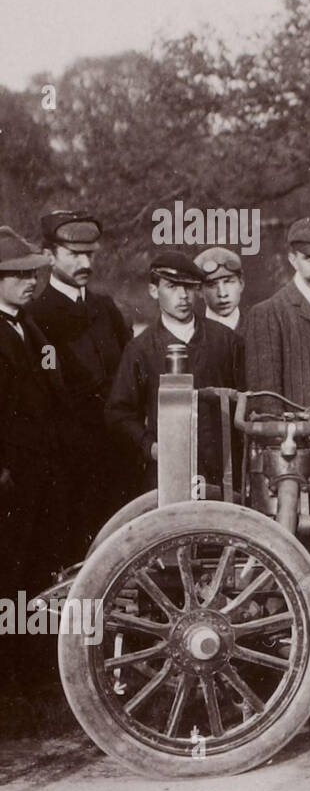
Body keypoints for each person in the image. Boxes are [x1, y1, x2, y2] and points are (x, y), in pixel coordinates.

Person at [26, 210, 132, 547]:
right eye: (73, 255)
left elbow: (128, 370)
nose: (84, 263)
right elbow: (46, 392)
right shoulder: (36, 316)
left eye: (89, 254)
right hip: (71, 461)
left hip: (118, 452)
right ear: (48, 256)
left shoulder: (106, 308)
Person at [105, 251, 243, 494]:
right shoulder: (140, 349)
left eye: (189, 287)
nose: (183, 296)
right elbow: (119, 412)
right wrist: (151, 446)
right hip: (167, 474)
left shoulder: (226, 341)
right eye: (172, 286)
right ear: (153, 290)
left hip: (224, 473)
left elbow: (246, 400)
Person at [0, 227, 74, 603]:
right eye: (19, 275)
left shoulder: (31, 327)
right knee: (9, 574)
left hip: (44, 474)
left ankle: (33, 658)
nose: (31, 281)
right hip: (10, 481)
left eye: (32, 274)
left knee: (40, 572)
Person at [244, 217, 310, 407]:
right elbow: (266, 405)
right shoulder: (269, 314)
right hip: (295, 436)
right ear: (293, 259)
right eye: (309, 259)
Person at [194, 247, 247, 336]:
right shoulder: (191, 332)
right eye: (212, 285)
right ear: (199, 290)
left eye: (228, 282)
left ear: (241, 283)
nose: (222, 294)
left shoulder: (257, 327)